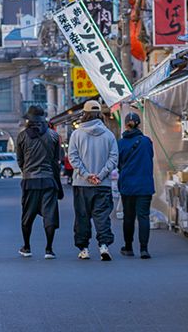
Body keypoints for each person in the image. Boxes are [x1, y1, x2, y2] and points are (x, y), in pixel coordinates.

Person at [68, 100, 118, 261]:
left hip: (82, 184)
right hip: (102, 184)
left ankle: (84, 249)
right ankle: (104, 245)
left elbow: (73, 157)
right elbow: (114, 158)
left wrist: (86, 174)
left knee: (82, 216)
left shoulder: (77, 134)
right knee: (102, 215)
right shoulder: (109, 134)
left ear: (85, 113)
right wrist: (101, 174)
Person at [16, 105, 63, 259]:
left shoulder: (22, 136)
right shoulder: (54, 136)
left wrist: (27, 170)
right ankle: (49, 249)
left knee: (27, 216)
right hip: (49, 180)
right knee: (49, 215)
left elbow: (20, 160)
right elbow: (57, 161)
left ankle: (27, 247)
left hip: (30, 181)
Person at [117, 111, 154, 259]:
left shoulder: (120, 143)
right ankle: (144, 249)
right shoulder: (146, 142)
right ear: (139, 124)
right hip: (144, 184)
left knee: (129, 217)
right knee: (144, 216)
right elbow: (150, 157)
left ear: (125, 125)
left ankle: (128, 247)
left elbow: (118, 163)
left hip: (127, 185)